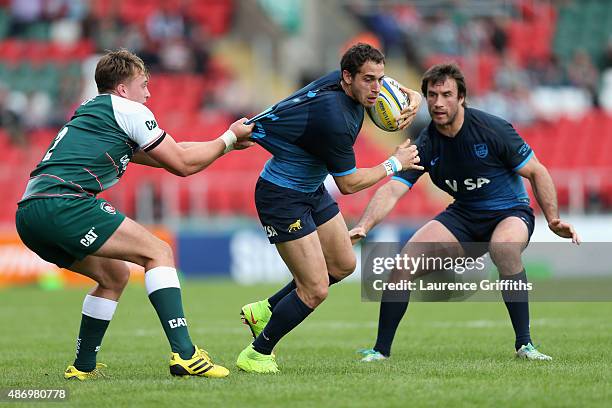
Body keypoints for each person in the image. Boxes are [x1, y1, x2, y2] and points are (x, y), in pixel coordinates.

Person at [15, 49, 254, 380]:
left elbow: (175, 152)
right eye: (144, 84)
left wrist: (224, 142)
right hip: (65, 203)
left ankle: (82, 368)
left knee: (114, 276)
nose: (149, 92)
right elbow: (183, 166)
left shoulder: (94, 113)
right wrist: (227, 139)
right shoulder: (129, 109)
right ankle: (186, 355)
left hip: (30, 214)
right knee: (158, 252)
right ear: (123, 89)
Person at [349, 63, 580, 363]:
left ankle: (525, 345)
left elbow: (536, 171)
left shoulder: (492, 129)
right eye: (432, 95)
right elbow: (393, 189)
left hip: (509, 212)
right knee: (402, 264)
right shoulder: (428, 143)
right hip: (464, 217)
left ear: (461, 98)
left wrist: (552, 219)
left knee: (504, 247)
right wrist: (364, 225)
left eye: (447, 94)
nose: (438, 102)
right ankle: (380, 351)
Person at [236, 43, 424, 374]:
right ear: (347, 77)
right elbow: (349, 184)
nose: (377, 89)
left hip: (311, 189)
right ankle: (257, 352)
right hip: (282, 197)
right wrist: (395, 163)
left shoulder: (345, 85)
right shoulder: (333, 117)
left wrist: (416, 97)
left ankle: (265, 309)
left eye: (381, 80)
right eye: (369, 80)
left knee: (342, 264)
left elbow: (380, 81)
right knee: (315, 289)